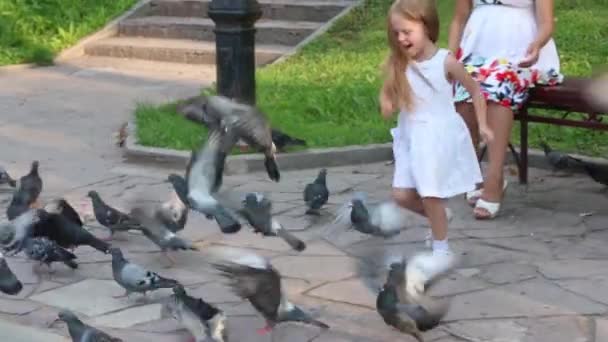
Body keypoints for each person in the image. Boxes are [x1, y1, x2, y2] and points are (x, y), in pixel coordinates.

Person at [379, 0, 493, 262]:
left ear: (426, 25)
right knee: (401, 195)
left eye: (407, 32)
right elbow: (387, 92)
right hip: (410, 134)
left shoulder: (445, 62)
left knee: (431, 193)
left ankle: (441, 249)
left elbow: (475, 90)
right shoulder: (399, 63)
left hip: (436, 135)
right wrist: (386, 102)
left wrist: (483, 124)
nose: (401, 38)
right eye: (396, 33)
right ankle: (440, 216)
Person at [449, 0, 563, 219]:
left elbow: (547, 23)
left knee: (498, 86)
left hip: (521, 54)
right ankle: (472, 175)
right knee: (463, 90)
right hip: (477, 50)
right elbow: (459, 17)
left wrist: (537, 45)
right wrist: (450, 58)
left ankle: (495, 179)